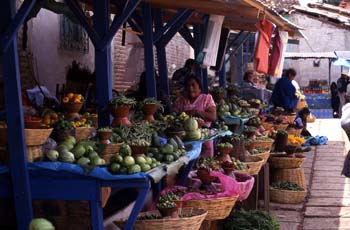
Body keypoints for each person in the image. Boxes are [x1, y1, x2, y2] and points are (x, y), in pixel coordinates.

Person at [173, 74, 216, 157]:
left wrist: (196, 112)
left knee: (204, 166)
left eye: (193, 85)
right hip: (185, 140)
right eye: (188, 86)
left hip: (204, 138)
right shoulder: (180, 101)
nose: (190, 88)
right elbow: (174, 117)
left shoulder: (206, 98)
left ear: (199, 87)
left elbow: (213, 116)